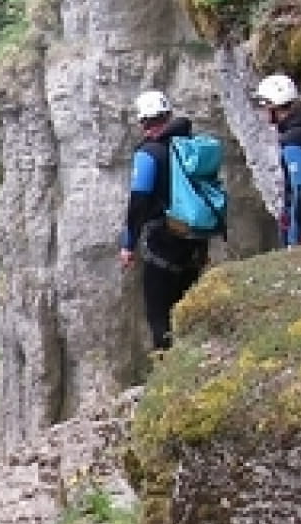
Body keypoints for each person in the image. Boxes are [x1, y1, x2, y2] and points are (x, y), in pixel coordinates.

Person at [119, 90, 210, 352]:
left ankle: (166, 369)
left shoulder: (149, 154)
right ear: (168, 115)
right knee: (186, 307)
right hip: (195, 240)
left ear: (144, 122)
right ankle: (190, 362)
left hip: (164, 242)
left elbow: (139, 202)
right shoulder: (190, 147)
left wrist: (128, 244)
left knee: (159, 312)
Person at [253, 73, 301, 246]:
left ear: (275, 107)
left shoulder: (294, 139)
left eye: (265, 106)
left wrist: (295, 235)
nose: (264, 112)